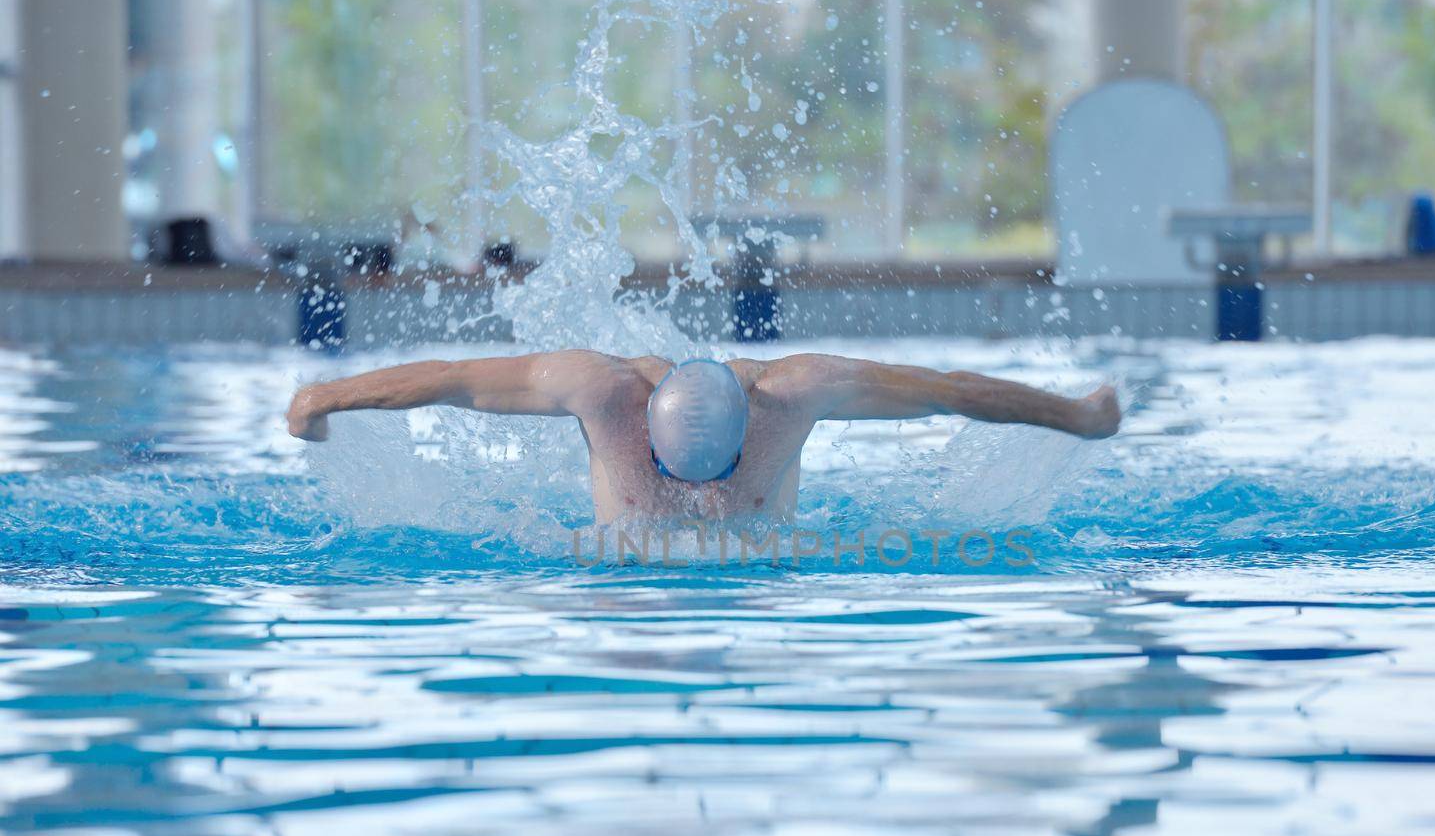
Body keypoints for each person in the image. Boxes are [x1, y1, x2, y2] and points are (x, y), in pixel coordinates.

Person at [286, 350, 1121, 522]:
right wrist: (324, 396)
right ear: (643, 439)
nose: (703, 503)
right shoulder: (600, 390)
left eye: (720, 477)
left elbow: (947, 394)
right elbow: (451, 382)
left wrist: (1076, 416)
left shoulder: (797, 394)